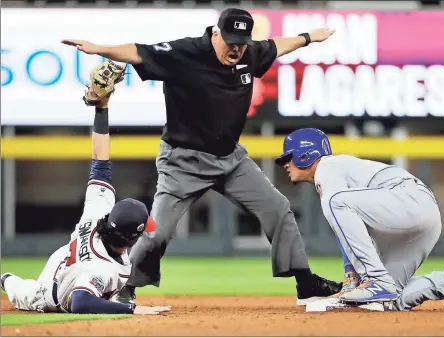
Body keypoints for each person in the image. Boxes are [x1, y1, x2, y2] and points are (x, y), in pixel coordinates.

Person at [61, 8, 342, 305]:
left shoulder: (248, 52)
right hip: (183, 162)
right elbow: (137, 52)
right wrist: (97, 48)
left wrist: (309, 37)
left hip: (231, 160)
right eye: (230, 40)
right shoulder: (185, 52)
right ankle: (127, 288)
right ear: (216, 33)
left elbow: (277, 45)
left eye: (242, 42)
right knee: (157, 232)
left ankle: (305, 282)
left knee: (278, 207)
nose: (236, 48)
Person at [1, 82, 171, 316]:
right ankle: (5, 278)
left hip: (66, 262)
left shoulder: (97, 214)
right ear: (132, 236)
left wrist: (102, 108)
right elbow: (81, 303)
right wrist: (132, 309)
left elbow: (100, 163)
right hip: (46, 295)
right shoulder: (104, 269)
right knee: (16, 287)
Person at [275, 128, 444, 310]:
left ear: (305, 155)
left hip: (407, 199)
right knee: (387, 297)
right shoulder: (336, 168)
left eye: (287, 158)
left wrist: (351, 277)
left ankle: (375, 279)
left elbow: (339, 210)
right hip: (425, 216)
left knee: (336, 202)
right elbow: (344, 225)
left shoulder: (327, 166)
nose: (284, 164)